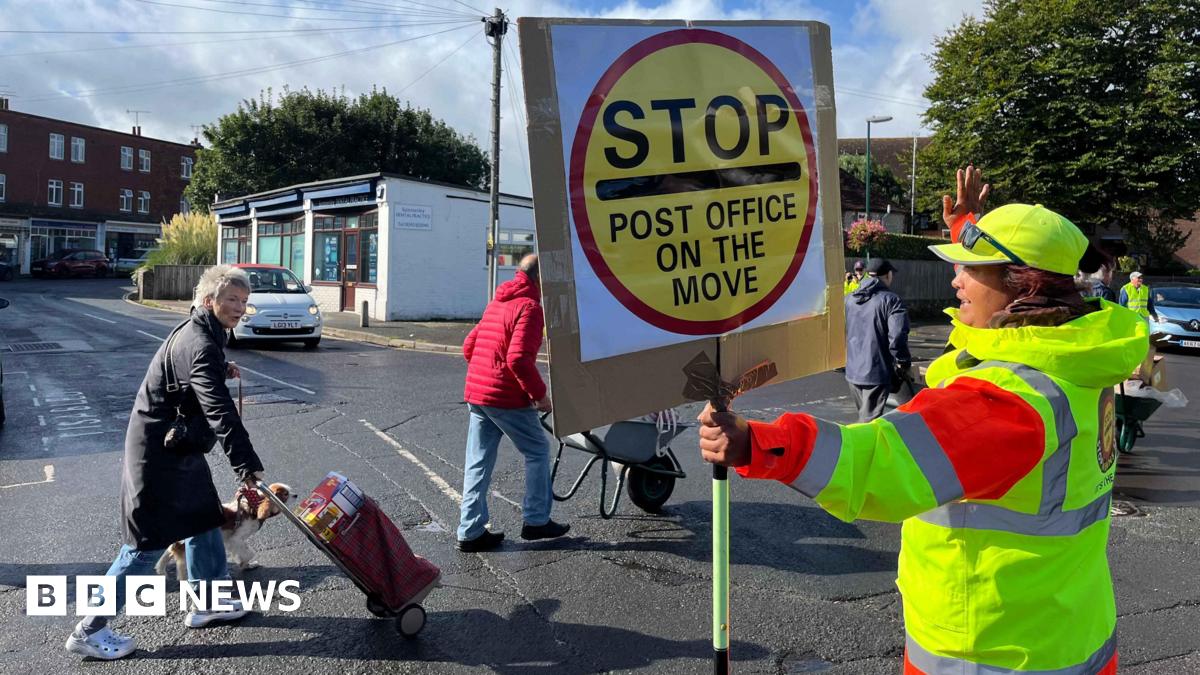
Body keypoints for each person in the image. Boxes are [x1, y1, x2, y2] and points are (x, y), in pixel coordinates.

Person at [698, 201, 1147, 674]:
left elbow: (879, 464)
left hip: (991, 653)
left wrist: (759, 444)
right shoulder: (1073, 356)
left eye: (971, 268)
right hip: (1068, 632)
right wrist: (967, 229)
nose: (956, 279)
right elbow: (991, 347)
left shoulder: (1006, 404)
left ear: (1023, 284)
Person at [66, 265, 266, 660]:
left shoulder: (204, 333)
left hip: (177, 447)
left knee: (204, 517)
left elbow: (189, 374)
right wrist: (246, 466)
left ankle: (210, 602)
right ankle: (89, 629)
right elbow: (219, 410)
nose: (239, 308)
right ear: (211, 301)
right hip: (157, 456)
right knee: (145, 544)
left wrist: (218, 369)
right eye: (232, 300)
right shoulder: (202, 342)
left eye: (244, 301)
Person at [458, 254, 569, 552]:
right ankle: (535, 521)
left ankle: (470, 531)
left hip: (478, 393)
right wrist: (539, 395)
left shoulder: (498, 301)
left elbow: (469, 347)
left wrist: (485, 374)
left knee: (478, 462)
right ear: (540, 280)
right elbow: (518, 359)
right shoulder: (531, 308)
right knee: (537, 450)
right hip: (504, 396)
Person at [844, 258, 911, 422]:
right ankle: (859, 448)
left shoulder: (849, 299)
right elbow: (897, 337)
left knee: (864, 418)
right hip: (876, 372)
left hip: (853, 371)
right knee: (868, 426)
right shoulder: (891, 300)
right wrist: (903, 361)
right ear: (888, 275)